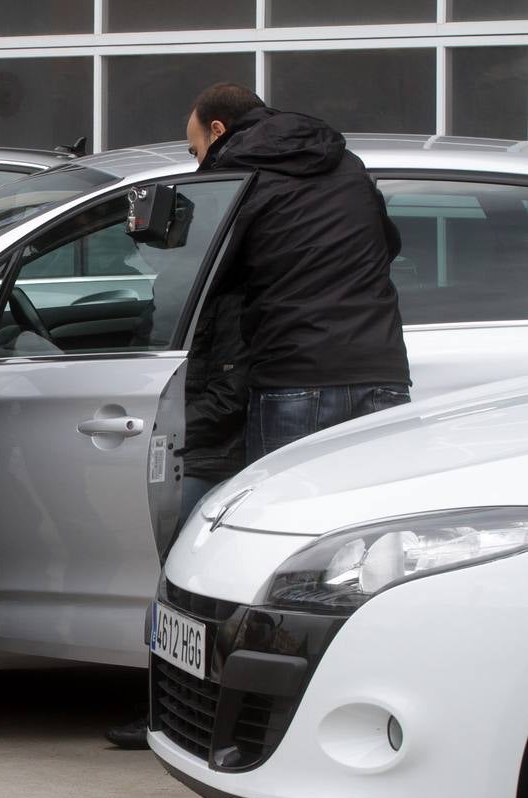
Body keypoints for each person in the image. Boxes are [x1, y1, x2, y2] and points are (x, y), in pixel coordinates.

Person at [187, 82, 411, 461]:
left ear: (218, 130)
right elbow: (388, 245)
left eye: (197, 150)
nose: (198, 163)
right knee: (373, 514)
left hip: (294, 375)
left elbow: (212, 276)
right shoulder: (346, 162)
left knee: (284, 510)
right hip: (380, 368)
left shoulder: (239, 176)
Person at [104, 290, 249, 750]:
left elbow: (228, 400)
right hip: (188, 452)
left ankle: (169, 707)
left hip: (207, 457)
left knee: (179, 588)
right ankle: (168, 705)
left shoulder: (228, 300)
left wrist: (158, 429)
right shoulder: (181, 290)